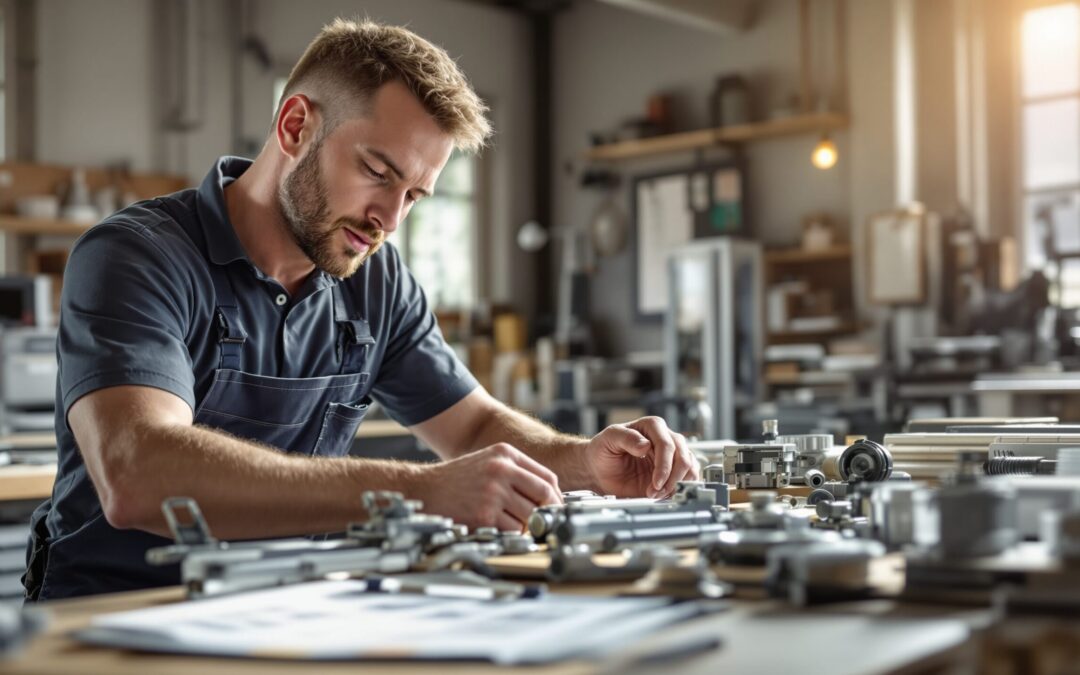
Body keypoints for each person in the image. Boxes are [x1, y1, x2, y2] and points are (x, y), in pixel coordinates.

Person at [23, 18, 698, 601]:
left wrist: (586, 460)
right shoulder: (137, 257)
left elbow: (473, 428)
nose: (388, 219)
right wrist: (423, 490)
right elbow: (139, 474)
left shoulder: (375, 282)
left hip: (286, 612)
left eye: (413, 196)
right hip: (110, 621)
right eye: (378, 172)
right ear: (295, 125)